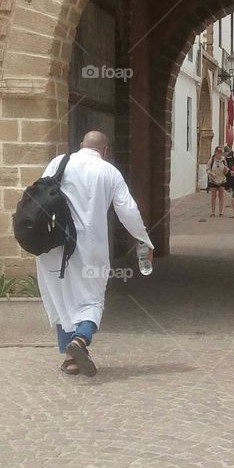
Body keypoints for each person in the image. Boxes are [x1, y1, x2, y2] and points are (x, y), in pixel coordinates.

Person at [36, 131, 153, 378]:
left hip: (53, 245)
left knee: (62, 298)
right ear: (105, 150)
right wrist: (144, 240)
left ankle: (70, 360)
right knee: (91, 301)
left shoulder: (59, 162)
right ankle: (79, 341)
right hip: (89, 248)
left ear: (80, 146)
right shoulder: (109, 172)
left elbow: (38, 196)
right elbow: (128, 211)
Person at [207, 145, 228, 217]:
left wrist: (225, 169)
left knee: (221, 196)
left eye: (221, 152)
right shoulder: (211, 160)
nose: (219, 154)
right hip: (213, 180)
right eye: (218, 152)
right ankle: (213, 212)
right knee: (213, 196)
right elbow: (208, 169)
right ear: (215, 152)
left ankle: (221, 212)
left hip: (222, 180)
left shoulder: (223, 160)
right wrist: (212, 174)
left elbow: (226, 170)